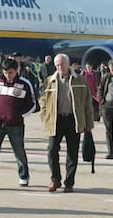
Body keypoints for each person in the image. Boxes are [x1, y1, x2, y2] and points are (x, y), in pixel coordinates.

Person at [40, 53, 94, 193]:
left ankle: (69, 183)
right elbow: (43, 102)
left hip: (73, 119)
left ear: (68, 64)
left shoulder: (80, 80)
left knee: (72, 152)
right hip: (56, 119)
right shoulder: (49, 81)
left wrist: (89, 123)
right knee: (52, 150)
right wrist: (45, 118)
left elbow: (87, 103)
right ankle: (55, 179)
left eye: (62, 64)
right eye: (57, 65)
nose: (59, 67)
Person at [0, 59, 36, 190]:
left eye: (10, 72)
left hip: (15, 124)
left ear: (16, 70)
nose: (8, 75)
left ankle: (24, 176)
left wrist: (19, 115)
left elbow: (33, 104)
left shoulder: (25, 84)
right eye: (5, 72)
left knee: (19, 151)